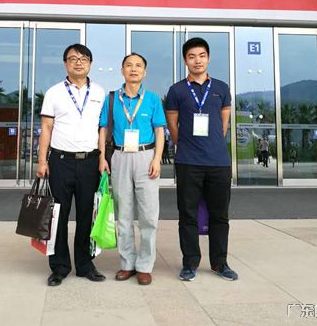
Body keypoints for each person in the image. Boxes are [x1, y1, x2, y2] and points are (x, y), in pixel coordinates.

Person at [165, 37, 237, 282]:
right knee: (188, 215)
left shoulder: (221, 88)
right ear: (185, 60)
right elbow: (173, 125)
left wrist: (213, 143)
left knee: (220, 215)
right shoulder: (176, 90)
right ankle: (190, 263)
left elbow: (224, 124)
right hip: (188, 161)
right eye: (192, 56)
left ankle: (220, 262)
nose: (197, 60)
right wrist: (185, 144)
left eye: (202, 55)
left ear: (208, 58)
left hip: (218, 162)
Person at [37, 44, 106, 287]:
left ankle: (85, 265)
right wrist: (42, 160)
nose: (78, 62)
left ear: (90, 64)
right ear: (65, 63)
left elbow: (102, 129)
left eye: (83, 58)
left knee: (88, 215)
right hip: (60, 162)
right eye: (73, 58)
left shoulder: (99, 92)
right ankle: (59, 267)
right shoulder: (54, 92)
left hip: (89, 162)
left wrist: (102, 158)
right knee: (58, 216)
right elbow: (46, 128)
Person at [98, 53, 166, 286]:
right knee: (123, 214)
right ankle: (127, 263)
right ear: (122, 70)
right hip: (119, 157)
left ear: (144, 72)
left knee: (149, 215)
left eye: (138, 66)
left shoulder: (152, 99)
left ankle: (145, 265)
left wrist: (157, 159)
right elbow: (103, 130)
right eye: (129, 65)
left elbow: (159, 131)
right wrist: (102, 157)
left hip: (146, 157)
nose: (133, 69)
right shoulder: (111, 99)